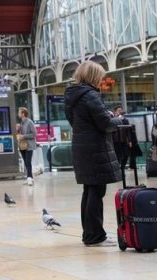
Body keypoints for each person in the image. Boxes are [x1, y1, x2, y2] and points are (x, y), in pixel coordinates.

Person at [64, 60, 122, 247]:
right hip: (94, 149)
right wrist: (119, 120)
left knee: (90, 190)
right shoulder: (90, 96)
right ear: (93, 76)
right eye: (100, 76)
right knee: (96, 191)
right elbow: (105, 124)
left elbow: (80, 122)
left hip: (82, 147)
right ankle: (95, 236)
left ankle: (90, 235)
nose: (101, 80)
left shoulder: (73, 95)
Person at [16, 107, 37, 186]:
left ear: (23, 114)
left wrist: (24, 136)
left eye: (19, 113)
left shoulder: (30, 122)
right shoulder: (21, 123)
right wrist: (18, 130)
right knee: (26, 162)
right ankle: (30, 177)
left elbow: (34, 134)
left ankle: (29, 178)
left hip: (29, 146)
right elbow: (20, 133)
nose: (18, 114)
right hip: (22, 146)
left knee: (28, 161)